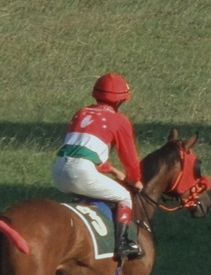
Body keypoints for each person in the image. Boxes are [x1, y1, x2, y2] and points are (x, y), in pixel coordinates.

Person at [53, 73, 144, 259]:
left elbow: (82, 149)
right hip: (81, 174)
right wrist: (135, 180)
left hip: (58, 171)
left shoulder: (81, 112)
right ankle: (122, 244)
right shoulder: (120, 121)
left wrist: (110, 169)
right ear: (120, 101)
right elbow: (130, 159)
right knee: (124, 197)